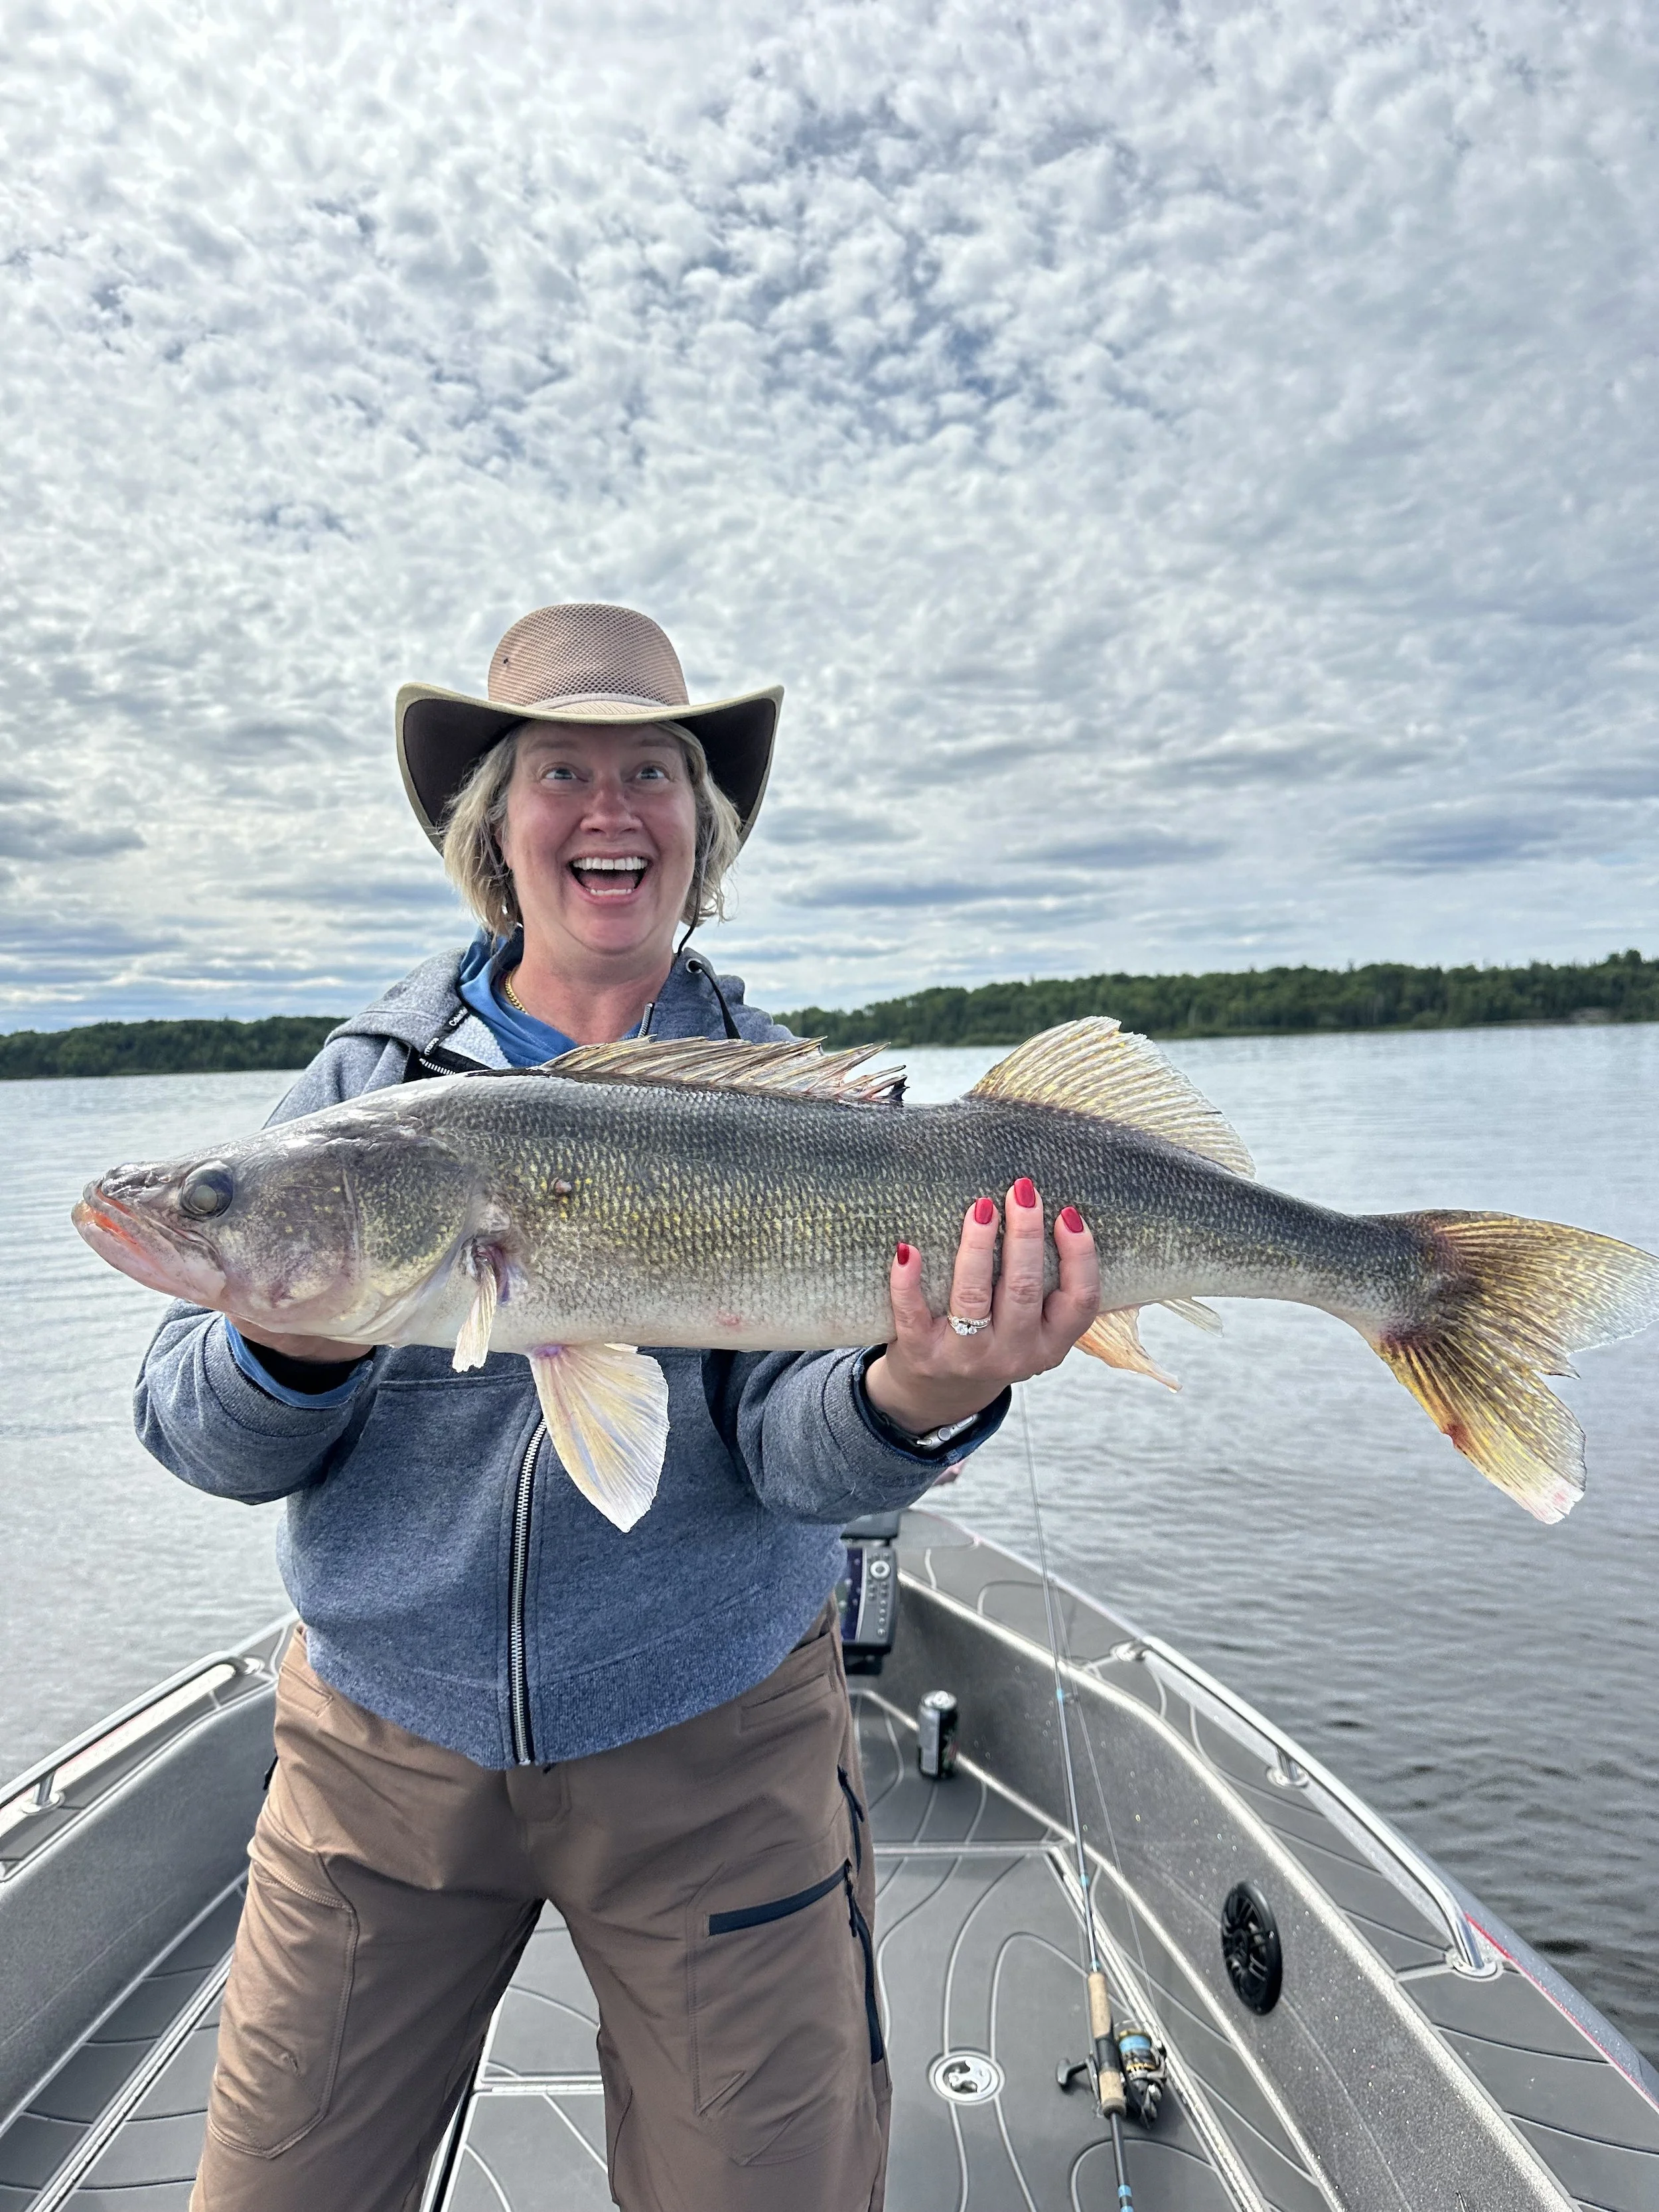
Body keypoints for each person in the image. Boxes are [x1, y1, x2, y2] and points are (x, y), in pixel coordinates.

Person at [136, 602, 1102, 2212]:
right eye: (559, 771)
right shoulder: (365, 1093)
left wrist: (925, 1385)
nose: (609, 807)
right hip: (381, 1755)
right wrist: (293, 1344)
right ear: (493, 829)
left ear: (699, 833)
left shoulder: (801, 1103)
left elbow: (796, 1458)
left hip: (714, 1746)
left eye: (652, 771)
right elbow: (190, 1429)